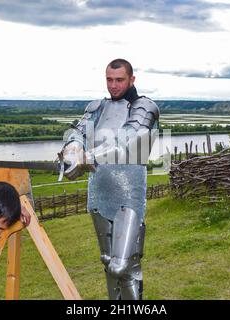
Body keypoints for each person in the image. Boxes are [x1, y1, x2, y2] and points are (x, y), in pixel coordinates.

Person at [60, 58, 159, 300]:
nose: (113, 86)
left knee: (124, 265)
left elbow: (128, 138)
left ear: (131, 79)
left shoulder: (144, 107)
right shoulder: (97, 107)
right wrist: (73, 149)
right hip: (100, 191)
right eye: (109, 80)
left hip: (129, 195)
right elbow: (78, 131)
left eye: (119, 80)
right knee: (108, 261)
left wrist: (89, 155)